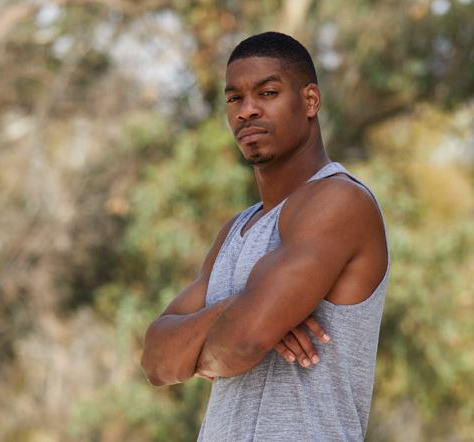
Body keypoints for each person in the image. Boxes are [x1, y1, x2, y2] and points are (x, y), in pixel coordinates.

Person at [140, 31, 389, 441]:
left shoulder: (339, 201)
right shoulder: (236, 230)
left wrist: (228, 334)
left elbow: (243, 342)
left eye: (267, 93)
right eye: (234, 98)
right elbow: (154, 359)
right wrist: (233, 309)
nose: (246, 111)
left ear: (310, 100)